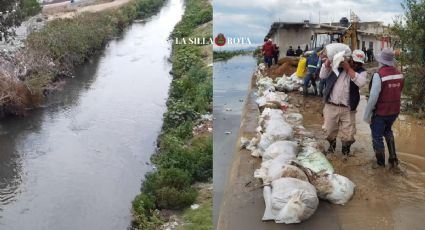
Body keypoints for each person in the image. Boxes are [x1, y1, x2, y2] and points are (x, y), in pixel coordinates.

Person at [320, 49, 367, 157]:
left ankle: (345, 153)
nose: (356, 65)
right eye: (354, 62)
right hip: (331, 105)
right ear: (349, 59)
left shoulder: (361, 72)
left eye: (359, 63)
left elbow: (361, 83)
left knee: (349, 134)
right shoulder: (336, 66)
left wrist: (348, 68)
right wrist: (327, 63)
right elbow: (322, 75)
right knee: (329, 131)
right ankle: (332, 148)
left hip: (348, 108)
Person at [363, 48, 403, 169]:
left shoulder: (378, 75)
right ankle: (393, 159)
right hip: (394, 111)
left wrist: (366, 115)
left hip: (381, 112)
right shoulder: (400, 74)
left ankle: (380, 166)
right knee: (388, 131)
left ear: (381, 61)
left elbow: (373, 97)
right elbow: (399, 91)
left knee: (377, 136)